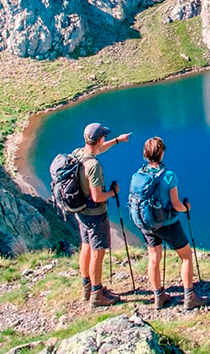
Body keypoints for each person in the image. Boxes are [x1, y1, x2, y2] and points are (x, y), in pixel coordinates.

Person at [136, 136, 207, 310]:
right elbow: (175, 204)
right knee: (186, 256)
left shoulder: (139, 174)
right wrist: (186, 208)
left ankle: (158, 296)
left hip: (146, 222)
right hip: (167, 223)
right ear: (161, 154)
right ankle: (190, 296)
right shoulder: (168, 176)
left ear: (145, 155)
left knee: (153, 258)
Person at [74, 122, 131, 307]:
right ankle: (97, 294)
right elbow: (97, 196)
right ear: (99, 139)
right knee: (98, 252)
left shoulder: (78, 154)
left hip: (80, 212)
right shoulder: (94, 166)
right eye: (104, 136)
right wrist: (113, 192)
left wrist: (117, 140)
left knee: (86, 247)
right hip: (95, 214)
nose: (104, 138)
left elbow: (97, 150)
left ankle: (87, 287)